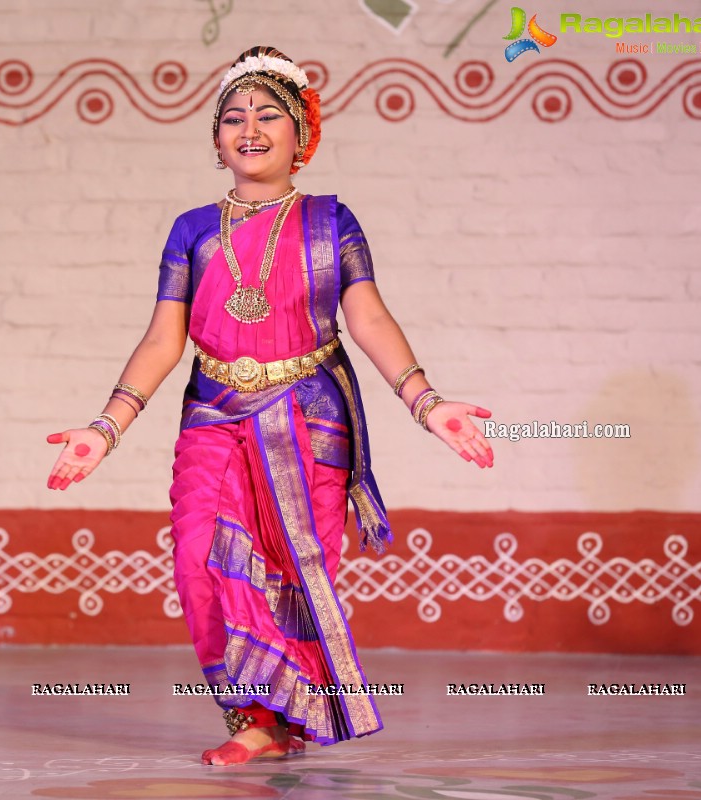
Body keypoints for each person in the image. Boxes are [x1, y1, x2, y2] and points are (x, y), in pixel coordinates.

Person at [45, 46, 494, 766]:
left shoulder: (330, 221)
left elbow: (369, 319)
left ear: (301, 135)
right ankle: (251, 711)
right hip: (213, 411)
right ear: (214, 137)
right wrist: (107, 428)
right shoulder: (192, 229)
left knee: (288, 564)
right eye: (232, 118)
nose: (248, 130)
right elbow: (165, 338)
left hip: (308, 415)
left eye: (267, 116)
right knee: (199, 557)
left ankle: (272, 721)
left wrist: (427, 402)